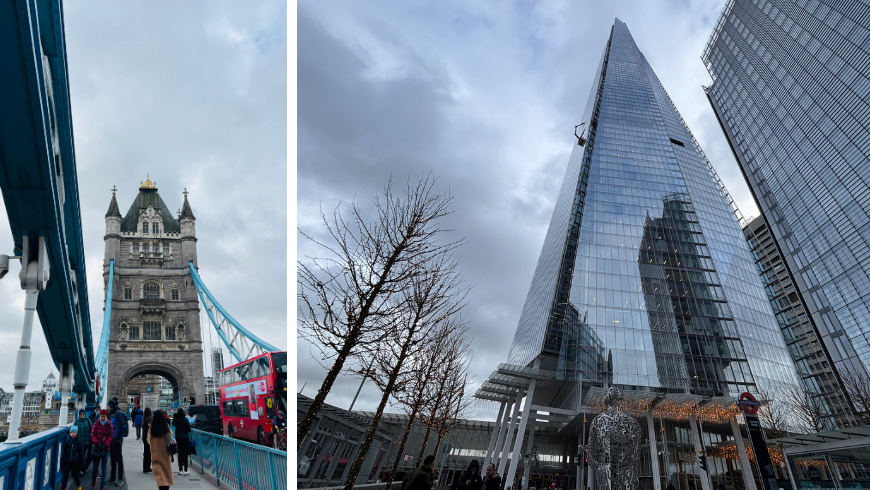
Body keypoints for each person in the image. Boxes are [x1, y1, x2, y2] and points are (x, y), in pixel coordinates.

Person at [148, 410, 175, 490]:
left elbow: (148, 440)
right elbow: (172, 436)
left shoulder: (152, 427)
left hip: (155, 454)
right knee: (166, 474)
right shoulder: (165, 426)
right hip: (165, 454)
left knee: (159, 477)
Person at [91, 409, 114, 490]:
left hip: (105, 448)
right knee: (95, 468)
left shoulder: (109, 425)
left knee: (104, 467)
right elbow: (93, 435)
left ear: (106, 416)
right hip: (97, 448)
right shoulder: (96, 424)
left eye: (104, 416)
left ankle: (102, 485)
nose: (103, 418)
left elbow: (110, 436)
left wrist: (105, 445)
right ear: (99, 416)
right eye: (101, 416)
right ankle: (94, 480)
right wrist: (96, 443)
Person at [107, 400, 126, 486]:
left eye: (108, 406)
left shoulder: (118, 413)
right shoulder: (111, 414)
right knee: (113, 458)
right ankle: (112, 477)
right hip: (112, 438)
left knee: (118, 458)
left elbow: (121, 426)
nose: (107, 407)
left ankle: (120, 478)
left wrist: (118, 438)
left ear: (111, 406)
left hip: (117, 439)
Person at [61, 425, 86, 490]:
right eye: (71, 432)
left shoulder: (79, 441)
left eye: (73, 432)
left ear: (76, 433)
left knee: (75, 476)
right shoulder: (67, 441)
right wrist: (62, 462)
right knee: (65, 477)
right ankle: (62, 488)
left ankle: (79, 487)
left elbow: (81, 453)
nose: (72, 434)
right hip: (67, 462)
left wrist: (82, 465)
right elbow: (64, 452)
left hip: (75, 463)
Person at [172, 408, 192, 475]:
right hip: (185, 437)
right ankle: (186, 470)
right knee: (185, 454)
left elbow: (173, 423)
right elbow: (189, 430)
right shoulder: (185, 419)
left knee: (180, 453)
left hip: (178, 437)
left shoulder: (176, 419)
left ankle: (180, 470)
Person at [74, 409, 93, 476]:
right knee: (80, 456)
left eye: (83, 414)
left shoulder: (88, 421)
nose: (82, 415)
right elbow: (74, 431)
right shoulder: (76, 422)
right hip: (79, 442)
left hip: (86, 442)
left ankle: (83, 469)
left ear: (85, 414)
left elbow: (91, 430)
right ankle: (80, 469)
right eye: (81, 414)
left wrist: (89, 439)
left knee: (86, 456)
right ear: (79, 415)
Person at [142, 407, 153, 473]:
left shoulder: (144, 419)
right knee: (148, 453)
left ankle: (146, 467)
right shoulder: (149, 420)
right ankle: (146, 468)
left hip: (144, 437)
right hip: (147, 438)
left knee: (146, 453)